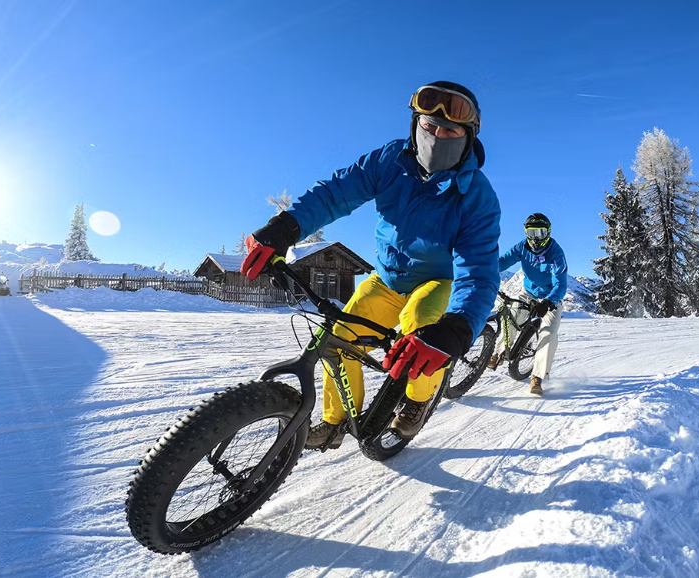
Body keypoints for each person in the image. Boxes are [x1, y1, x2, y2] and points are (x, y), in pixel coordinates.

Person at [240, 81, 501, 449]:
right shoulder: (390, 160)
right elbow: (336, 194)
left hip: (438, 282)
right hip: (388, 279)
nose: (437, 135)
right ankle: (336, 419)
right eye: (429, 126)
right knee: (336, 336)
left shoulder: (477, 196)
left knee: (421, 328)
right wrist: (285, 228)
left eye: (450, 130)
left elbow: (479, 271)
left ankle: (417, 400)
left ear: (468, 137)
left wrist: (456, 329)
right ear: (415, 124)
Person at [488, 213, 567, 395]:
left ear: (548, 232)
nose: (536, 238)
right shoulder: (522, 247)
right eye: (532, 233)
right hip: (528, 292)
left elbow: (561, 284)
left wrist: (549, 302)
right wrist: (485, 266)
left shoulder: (556, 252)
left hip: (550, 298)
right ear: (526, 233)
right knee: (512, 316)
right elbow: (502, 262)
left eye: (540, 233)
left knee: (548, 333)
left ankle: (537, 377)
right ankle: (498, 353)